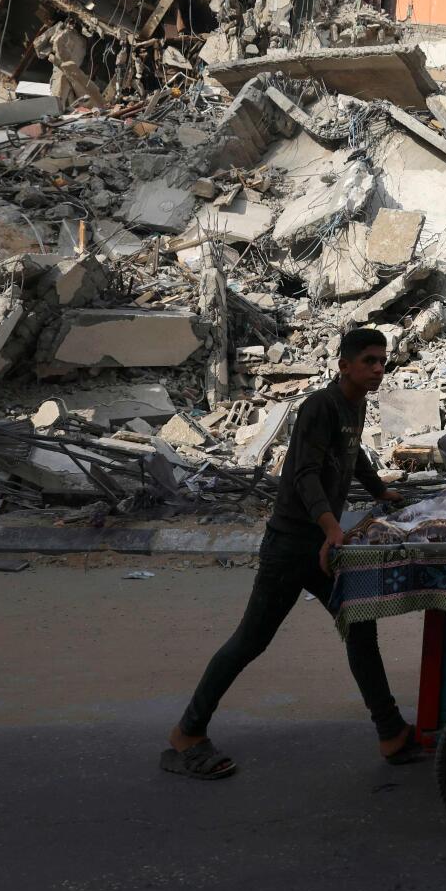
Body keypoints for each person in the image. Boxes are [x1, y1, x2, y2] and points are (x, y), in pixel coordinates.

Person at [160, 328, 419, 779]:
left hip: (320, 546)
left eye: (383, 362)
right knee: (251, 641)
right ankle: (187, 734)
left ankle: (391, 731)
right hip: (292, 546)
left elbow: (352, 454)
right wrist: (332, 527)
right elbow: (304, 475)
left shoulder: (354, 405)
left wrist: (381, 491)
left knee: (361, 628)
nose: (379, 369)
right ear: (345, 366)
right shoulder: (319, 407)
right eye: (370, 361)